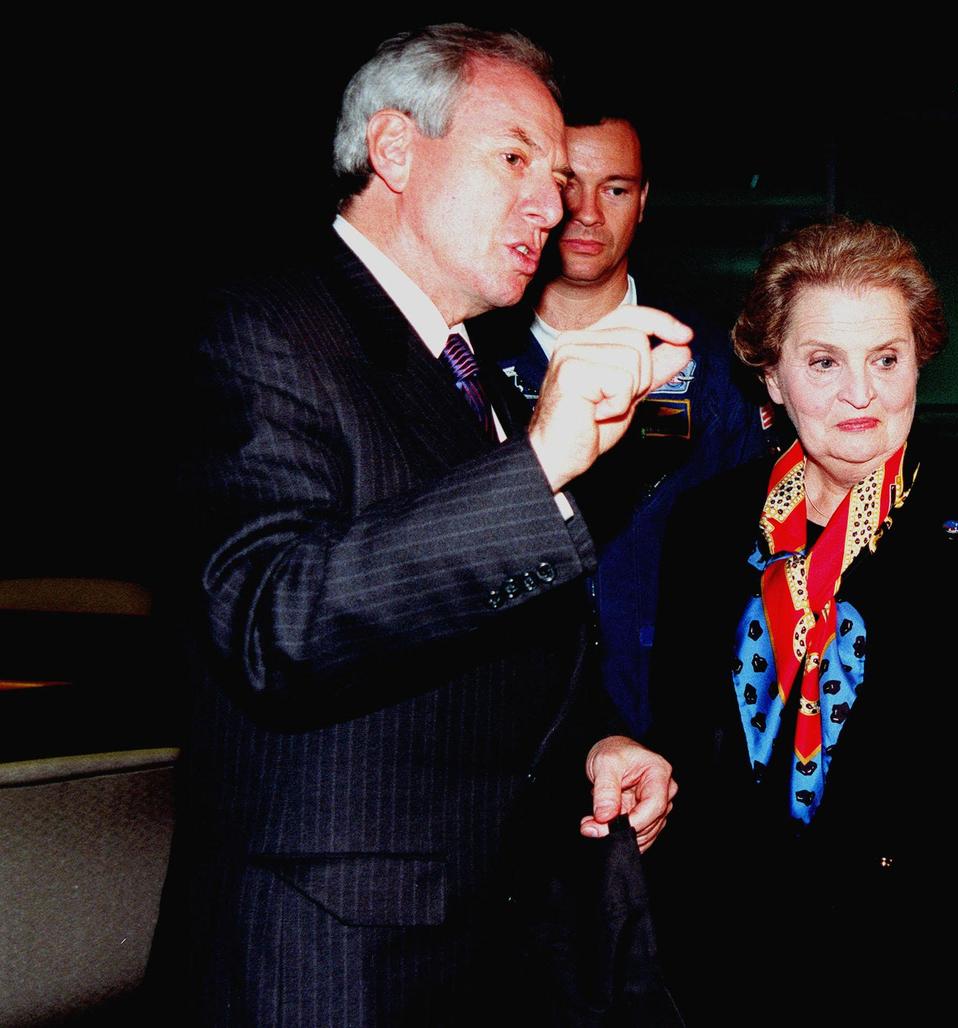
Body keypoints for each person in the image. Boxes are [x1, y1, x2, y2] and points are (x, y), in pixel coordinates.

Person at [149, 26, 682, 1025]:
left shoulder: (452, 363)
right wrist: (541, 465)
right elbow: (276, 620)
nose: (554, 200)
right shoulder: (265, 326)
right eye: (515, 157)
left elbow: (465, 645)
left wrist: (592, 744)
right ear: (394, 150)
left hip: (465, 944)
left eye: (562, 174)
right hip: (319, 957)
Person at [646, 218, 958, 1021]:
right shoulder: (709, 523)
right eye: (823, 362)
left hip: (925, 963)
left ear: (919, 357)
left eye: (886, 358)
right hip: (731, 958)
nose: (862, 393)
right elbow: (681, 732)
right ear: (772, 377)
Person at [471, 112, 769, 735]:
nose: (585, 213)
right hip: (505, 721)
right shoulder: (470, 363)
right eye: (567, 183)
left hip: (675, 719)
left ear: (643, 202)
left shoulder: (710, 364)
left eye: (615, 188)